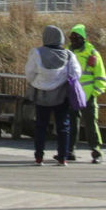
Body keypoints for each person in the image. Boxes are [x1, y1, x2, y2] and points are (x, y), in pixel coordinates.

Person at [23, 24, 81, 166]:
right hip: (61, 95)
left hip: (42, 95)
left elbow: (29, 73)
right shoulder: (68, 55)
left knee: (41, 126)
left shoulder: (36, 53)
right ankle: (63, 156)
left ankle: (39, 156)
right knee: (63, 126)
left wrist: (38, 81)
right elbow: (76, 73)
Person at [68, 24, 106, 163]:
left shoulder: (92, 53)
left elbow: (100, 75)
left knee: (91, 124)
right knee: (72, 123)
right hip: (73, 93)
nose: (73, 40)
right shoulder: (68, 52)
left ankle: (96, 151)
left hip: (88, 94)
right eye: (71, 37)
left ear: (83, 38)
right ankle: (70, 150)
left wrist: (96, 92)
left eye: (76, 37)